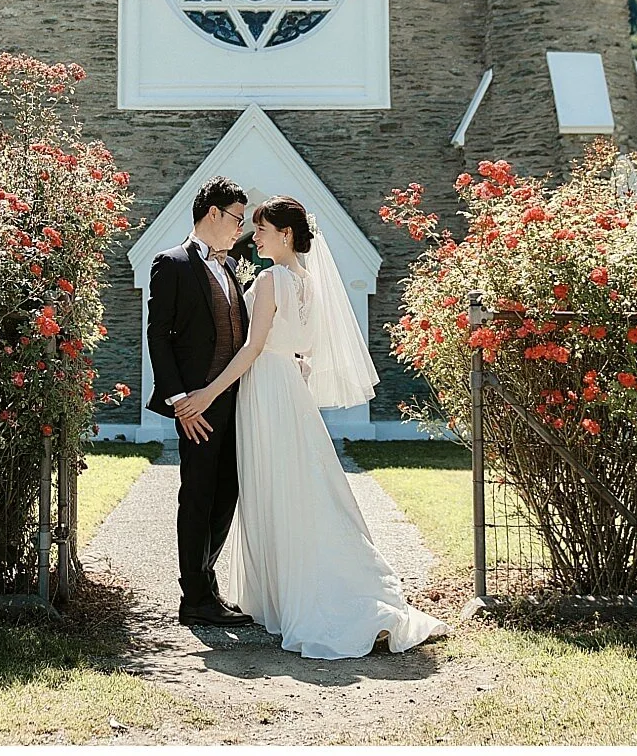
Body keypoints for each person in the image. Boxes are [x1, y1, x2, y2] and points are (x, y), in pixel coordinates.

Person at [173, 195, 447, 659]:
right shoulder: (308, 281)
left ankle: (296, 595)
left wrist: (208, 393)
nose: (254, 237)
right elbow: (302, 348)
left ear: (285, 235)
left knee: (276, 488)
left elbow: (252, 348)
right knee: (298, 485)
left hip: (265, 390)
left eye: (262, 230)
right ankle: (288, 589)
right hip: (288, 390)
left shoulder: (272, 278)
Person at [144, 176, 255, 625]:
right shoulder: (171, 263)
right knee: (197, 496)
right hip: (196, 406)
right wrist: (179, 401)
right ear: (213, 213)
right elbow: (158, 336)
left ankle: (206, 586)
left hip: (234, 401)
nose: (241, 227)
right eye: (237, 218)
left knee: (227, 493)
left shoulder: (230, 267)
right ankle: (194, 597)